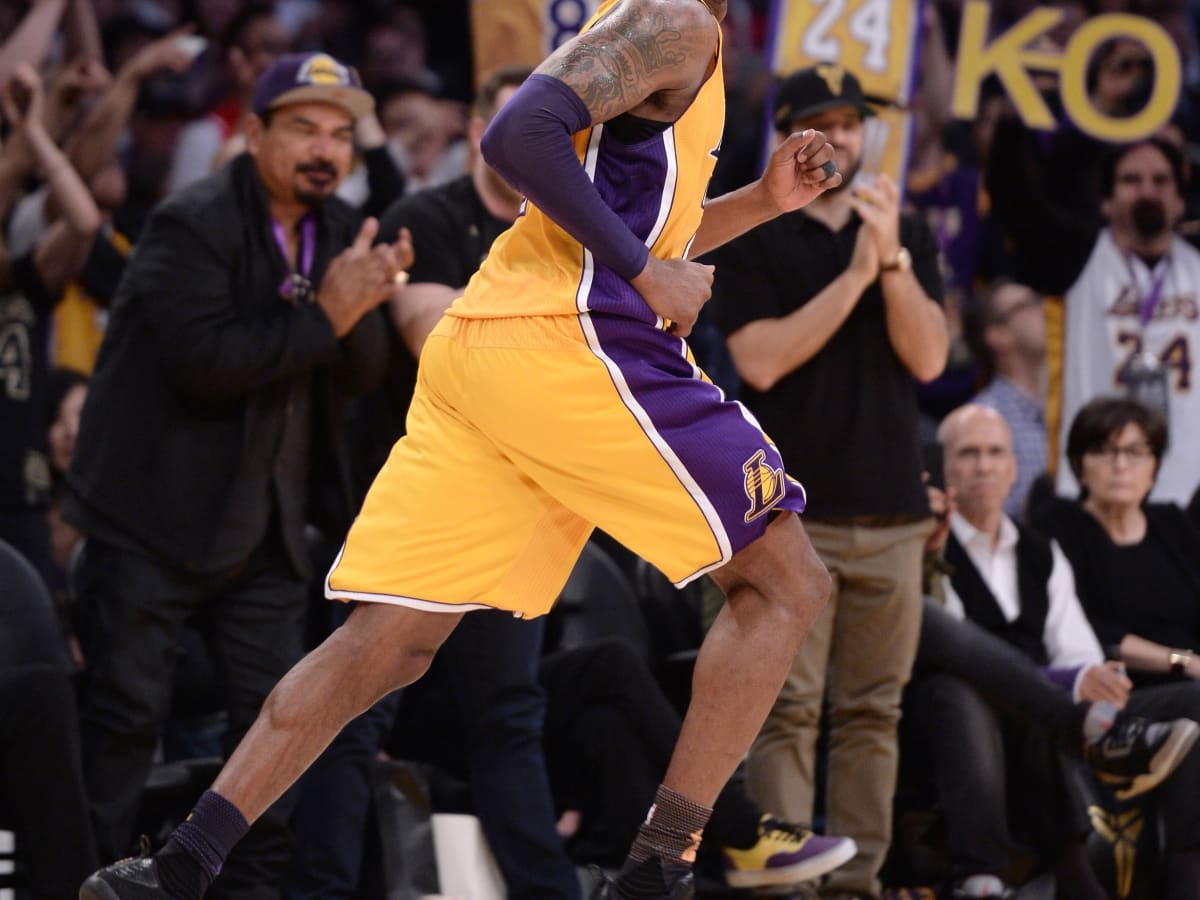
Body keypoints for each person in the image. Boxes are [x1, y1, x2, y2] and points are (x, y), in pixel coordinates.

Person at [80, 1, 844, 898]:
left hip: (493, 350)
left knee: (389, 642)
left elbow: (630, 228)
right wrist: (644, 275)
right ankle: (658, 871)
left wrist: (762, 202)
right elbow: (519, 135)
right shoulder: (675, 18)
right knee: (785, 583)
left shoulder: (669, 36)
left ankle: (178, 864)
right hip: (573, 345)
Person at [67, 50, 410, 899]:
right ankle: (88, 887)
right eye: (302, 129)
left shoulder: (340, 231)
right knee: (122, 732)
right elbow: (203, 361)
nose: (325, 150)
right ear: (253, 133)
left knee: (278, 738)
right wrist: (329, 311)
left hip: (264, 532)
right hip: (149, 520)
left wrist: (364, 303)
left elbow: (356, 374)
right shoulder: (191, 222)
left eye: (339, 134)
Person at [708, 62, 948, 899]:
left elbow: (929, 358)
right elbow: (758, 362)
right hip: (784, 514)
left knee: (874, 716)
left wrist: (888, 265)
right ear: (789, 135)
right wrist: (852, 274)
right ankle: (788, 888)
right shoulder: (755, 231)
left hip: (893, 513)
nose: (843, 137)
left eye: (854, 123)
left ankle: (858, 884)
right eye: (825, 122)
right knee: (784, 712)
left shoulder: (899, 231)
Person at [909, 403, 1200, 898]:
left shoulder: (1042, 549)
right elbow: (955, 648)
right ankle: (1034, 872)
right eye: (969, 453)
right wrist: (1072, 682)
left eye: (996, 452)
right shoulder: (928, 546)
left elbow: (1077, 649)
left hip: (1066, 703)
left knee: (1194, 701)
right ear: (943, 470)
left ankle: (1186, 877)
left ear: (1013, 469)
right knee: (978, 694)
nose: (984, 466)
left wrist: (1094, 676)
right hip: (968, 705)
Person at [0, 63, 102, 588]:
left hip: (22, 489)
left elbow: (84, 222)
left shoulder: (23, 287)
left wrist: (34, 128)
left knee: (38, 655)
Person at [964, 279, 1048, 520]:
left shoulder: (1070, 400)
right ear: (998, 335)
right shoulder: (982, 419)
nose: (1043, 308)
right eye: (1028, 304)